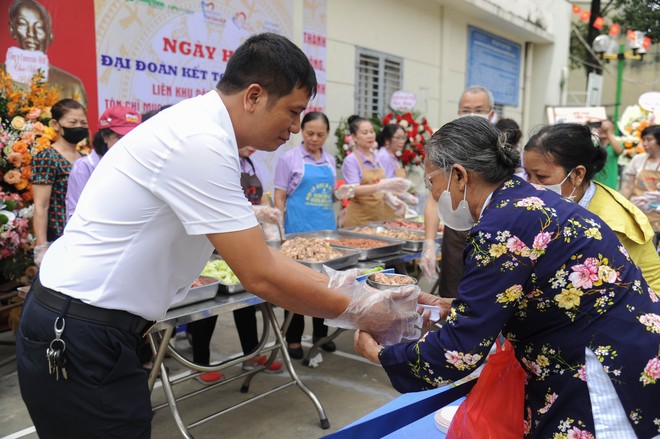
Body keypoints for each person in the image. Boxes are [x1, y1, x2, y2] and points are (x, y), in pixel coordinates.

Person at [17, 33, 420, 438]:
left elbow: (262, 255)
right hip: (77, 331)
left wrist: (355, 291)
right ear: (254, 96)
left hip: (94, 328)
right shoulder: (199, 141)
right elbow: (260, 274)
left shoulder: (204, 131)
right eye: (293, 112)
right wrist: (363, 310)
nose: (296, 129)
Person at [355, 116, 660, 438]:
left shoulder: (501, 226)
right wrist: (459, 307)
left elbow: (459, 350)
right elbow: (535, 291)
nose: (431, 193)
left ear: (458, 176)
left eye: (431, 182)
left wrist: (383, 355)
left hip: (601, 370)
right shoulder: (530, 201)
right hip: (632, 349)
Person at [523, 122, 660, 294]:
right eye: (527, 175)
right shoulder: (556, 205)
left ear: (577, 174)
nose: (530, 185)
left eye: (541, 177)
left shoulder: (611, 226)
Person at [189, 145, 284, 384]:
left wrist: (267, 221)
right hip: (212, 243)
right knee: (207, 306)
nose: (253, 147)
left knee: (245, 300)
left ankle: (251, 354)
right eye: (248, 142)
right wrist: (258, 212)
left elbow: (261, 198)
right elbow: (218, 204)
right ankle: (200, 363)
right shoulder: (218, 161)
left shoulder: (251, 164)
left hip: (243, 241)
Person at [273, 111, 337, 359]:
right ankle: (294, 337)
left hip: (326, 231)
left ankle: (321, 334)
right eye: (310, 133)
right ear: (302, 131)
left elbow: (330, 194)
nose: (314, 138)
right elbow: (279, 196)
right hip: (297, 231)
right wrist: (279, 227)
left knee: (326, 285)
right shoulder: (289, 159)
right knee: (297, 287)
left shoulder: (330, 160)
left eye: (320, 134)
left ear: (327, 135)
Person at [420, 86, 495, 294]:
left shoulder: (499, 147)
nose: (471, 114)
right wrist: (429, 243)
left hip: (494, 232)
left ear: (491, 112)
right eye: (465, 109)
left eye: (479, 109)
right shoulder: (445, 147)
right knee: (452, 295)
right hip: (456, 232)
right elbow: (434, 198)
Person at [31, 98, 87, 265]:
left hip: (83, 234)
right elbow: (41, 205)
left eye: (83, 122)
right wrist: (42, 247)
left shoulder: (84, 159)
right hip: (58, 236)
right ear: (56, 124)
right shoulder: (47, 157)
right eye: (73, 121)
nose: (79, 126)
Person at [2, 0, 88, 106]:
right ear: (12, 29)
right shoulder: (2, 76)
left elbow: (79, 120)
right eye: (23, 24)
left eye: (39, 27)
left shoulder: (72, 86)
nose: (31, 33)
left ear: (50, 35)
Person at [66, 106, 142, 220]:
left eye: (134, 136)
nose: (128, 142)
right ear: (104, 136)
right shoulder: (85, 167)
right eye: (121, 137)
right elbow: (75, 215)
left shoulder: (139, 164)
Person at [339, 116, 410, 227]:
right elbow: (354, 190)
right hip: (359, 219)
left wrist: (392, 200)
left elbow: (380, 188)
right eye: (365, 132)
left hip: (378, 217)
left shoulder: (376, 157)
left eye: (372, 131)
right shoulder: (351, 160)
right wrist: (381, 186)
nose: (370, 135)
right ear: (354, 137)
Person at [621, 124, 660, 233]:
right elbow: (629, 187)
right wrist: (621, 205)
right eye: (643, 140)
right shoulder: (638, 160)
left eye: (649, 139)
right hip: (638, 210)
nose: (645, 144)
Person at [591, 120, 623, 190]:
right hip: (595, 185)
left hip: (610, 185)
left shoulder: (615, 145)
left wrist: (608, 133)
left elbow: (619, 151)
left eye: (607, 127)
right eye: (601, 127)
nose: (603, 129)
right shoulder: (594, 145)